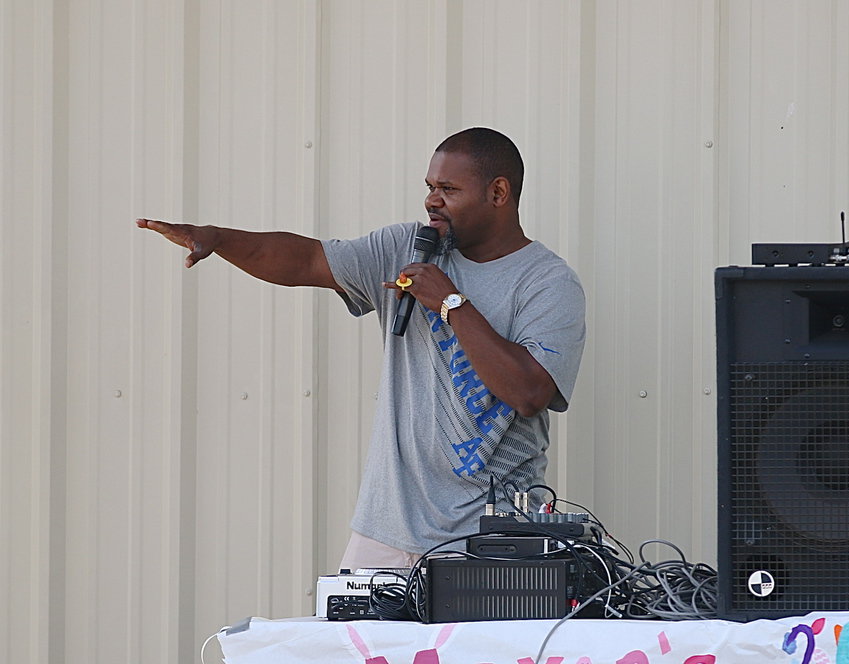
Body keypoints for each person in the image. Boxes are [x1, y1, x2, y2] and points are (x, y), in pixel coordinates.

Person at [138, 128, 586, 570]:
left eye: (448, 189)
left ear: (498, 192)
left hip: (492, 535)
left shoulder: (547, 282)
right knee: (353, 644)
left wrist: (451, 304)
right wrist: (220, 239)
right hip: (385, 530)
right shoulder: (406, 248)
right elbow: (308, 259)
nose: (432, 200)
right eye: (430, 187)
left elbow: (530, 392)